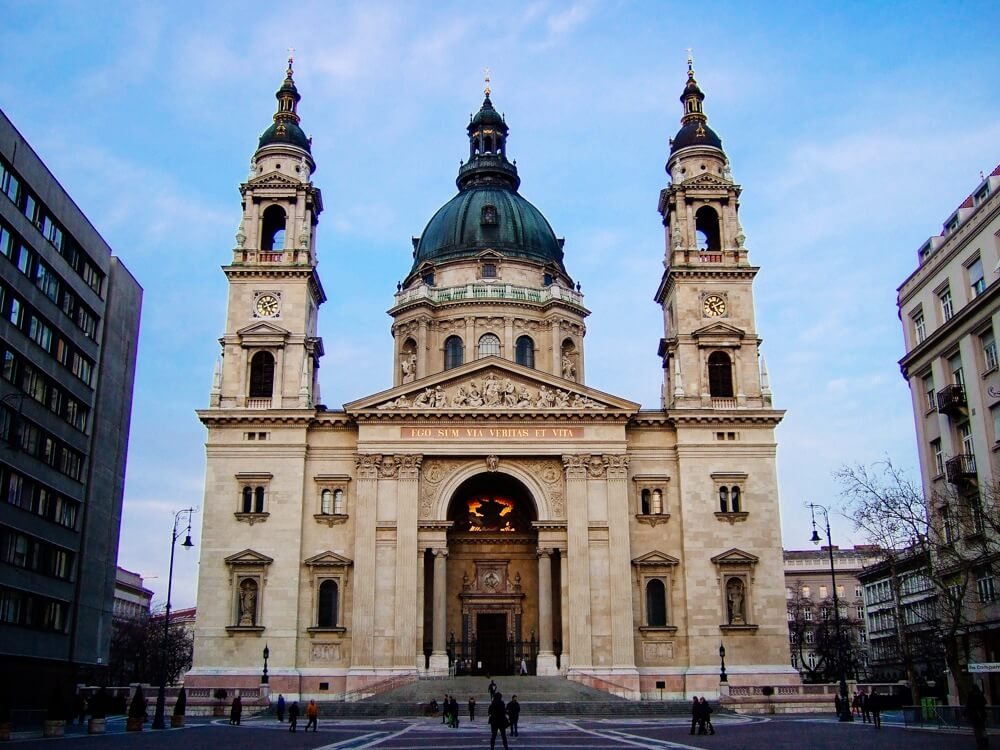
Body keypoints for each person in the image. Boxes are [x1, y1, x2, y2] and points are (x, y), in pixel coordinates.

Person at [966, 683, 988, 750]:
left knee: (976, 730)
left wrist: (965, 714)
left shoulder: (971, 695)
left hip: (974, 715)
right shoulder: (980, 694)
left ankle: (979, 744)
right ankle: (985, 740)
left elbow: (968, 705)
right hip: (981, 714)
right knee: (982, 728)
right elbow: (984, 702)